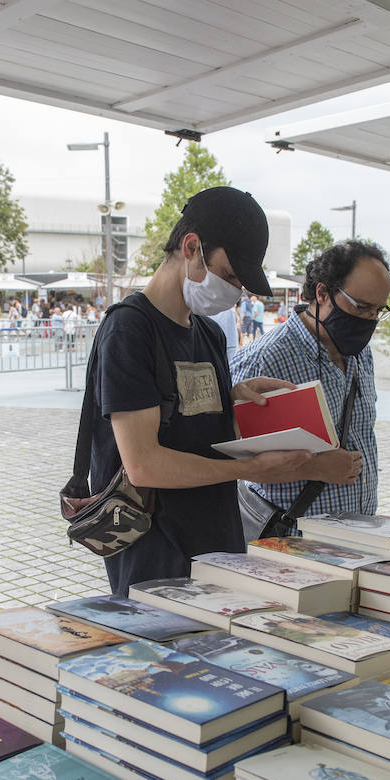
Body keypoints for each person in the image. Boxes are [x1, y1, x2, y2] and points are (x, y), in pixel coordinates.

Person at [88, 186, 360, 596]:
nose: (234, 291)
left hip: (218, 541)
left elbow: (198, 428)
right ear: (192, 247)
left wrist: (236, 400)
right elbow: (144, 464)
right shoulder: (129, 330)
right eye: (230, 275)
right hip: (155, 550)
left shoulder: (208, 333)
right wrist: (251, 470)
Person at [229, 241, 384, 527]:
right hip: (291, 539)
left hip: (361, 531)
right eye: (362, 307)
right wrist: (313, 467)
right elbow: (231, 463)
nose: (369, 320)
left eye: (377, 311)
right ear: (323, 293)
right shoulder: (267, 358)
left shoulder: (360, 352)